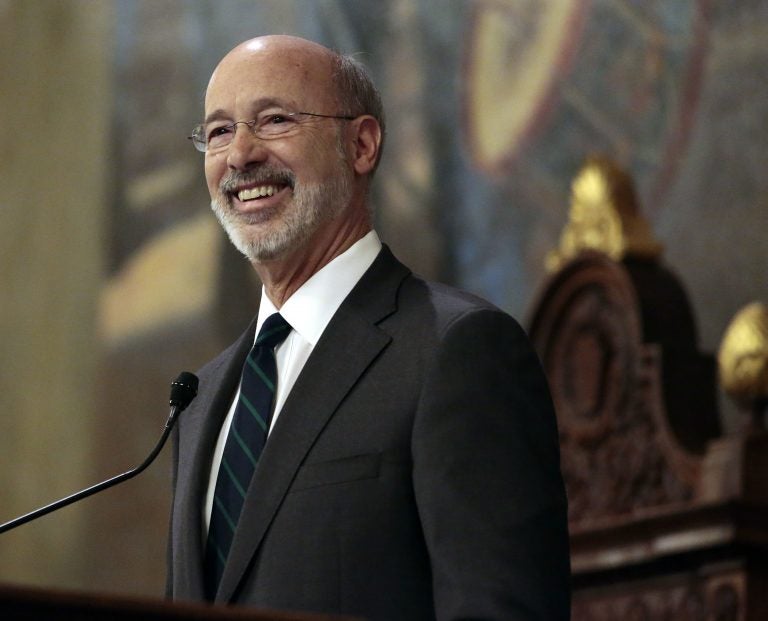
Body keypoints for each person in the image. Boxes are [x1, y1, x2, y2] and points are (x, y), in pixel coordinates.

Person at [166, 35, 570, 620]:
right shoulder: (199, 401)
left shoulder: (455, 349)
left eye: (274, 120)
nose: (240, 155)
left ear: (360, 145)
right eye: (220, 131)